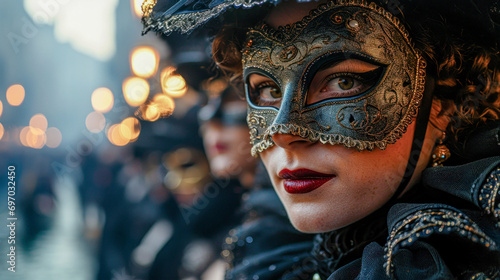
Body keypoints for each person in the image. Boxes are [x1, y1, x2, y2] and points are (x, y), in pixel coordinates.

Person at [142, 0, 500, 279]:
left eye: (344, 81)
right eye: (265, 89)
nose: (283, 132)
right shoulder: (271, 256)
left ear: (446, 100)